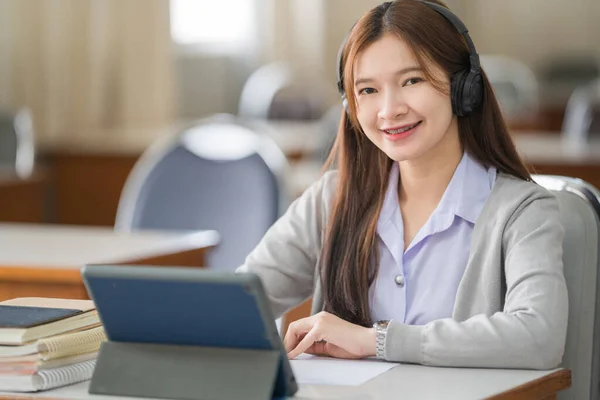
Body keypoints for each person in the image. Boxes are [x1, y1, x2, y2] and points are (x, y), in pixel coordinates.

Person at [237, 0, 567, 369]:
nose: (389, 110)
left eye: (412, 80)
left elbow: (540, 336)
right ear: (350, 107)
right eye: (367, 90)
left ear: (464, 88)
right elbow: (239, 303)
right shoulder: (330, 201)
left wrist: (376, 341)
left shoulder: (523, 212)